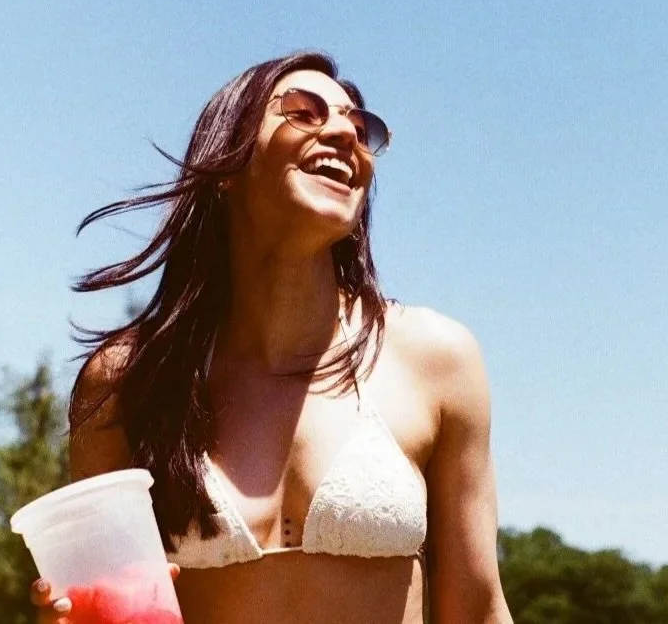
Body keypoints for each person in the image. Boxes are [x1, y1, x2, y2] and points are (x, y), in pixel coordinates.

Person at [32, 52, 515, 624]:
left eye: (362, 128)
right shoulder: (128, 380)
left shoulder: (434, 359)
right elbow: (103, 610)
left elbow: (479, 611)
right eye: (304, 113)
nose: (344, 132)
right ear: (227, 163)